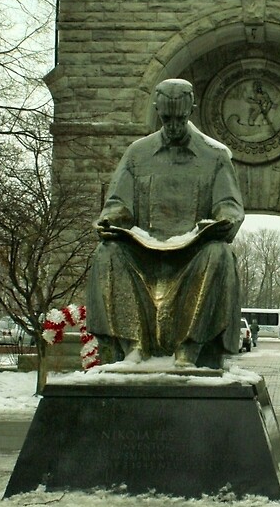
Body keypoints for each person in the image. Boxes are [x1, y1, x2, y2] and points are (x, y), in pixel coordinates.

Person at [86, 78, 245, 369]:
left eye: (180, 118)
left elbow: (230, 205)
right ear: (157, 111)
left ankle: (188, 351)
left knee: (219, 254)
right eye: (166, 118)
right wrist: (110, 221)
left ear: (191, 111)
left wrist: (225, 221)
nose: (173, 125)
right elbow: (118, 203)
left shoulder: (216, 156)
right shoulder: (137, 154)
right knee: (108, 253)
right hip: (143, 254)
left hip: (193, 256)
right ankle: (133, 348)